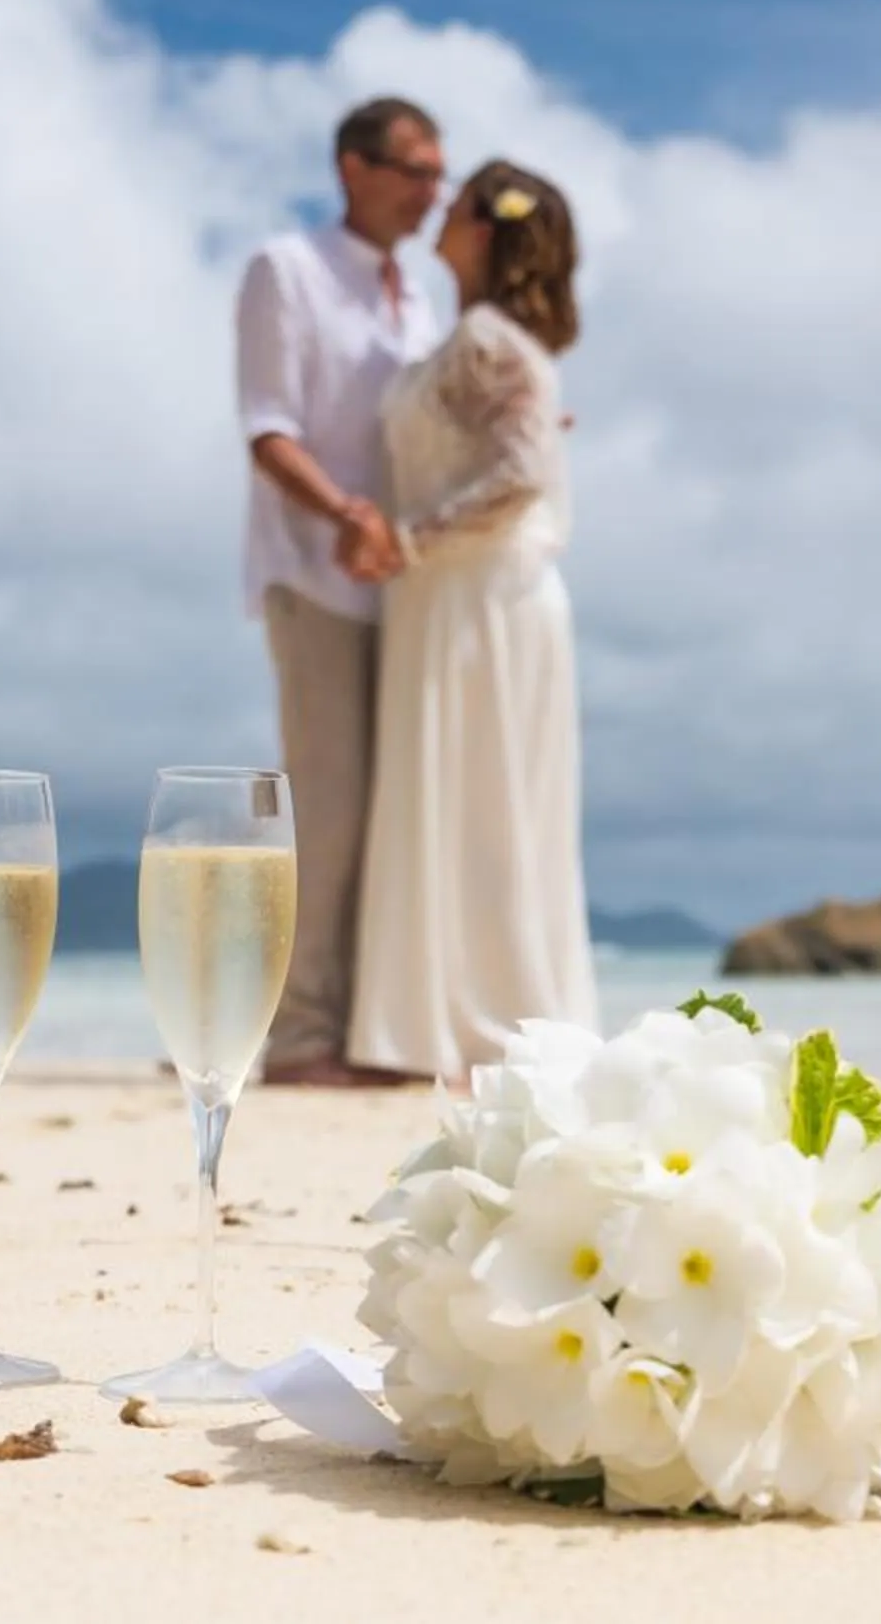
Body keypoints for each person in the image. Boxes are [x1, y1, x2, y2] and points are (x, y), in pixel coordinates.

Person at [343, 160, 595, 1082]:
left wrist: (407, 540)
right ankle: (450, 1020)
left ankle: (492, 1025)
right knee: (464, 802)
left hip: (480, 597)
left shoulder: (491, 339)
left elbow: (522, 474)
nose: (439, 216)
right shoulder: (481, 339)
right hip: (454, 595)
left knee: (483, 805)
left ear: (485, 229)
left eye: (454, 206)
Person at [232, 96, 446, 1086]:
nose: (430, 189)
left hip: (408, 591)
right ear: (353, 167)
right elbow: (269, 429)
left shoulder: (424, 299)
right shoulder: (289, 270)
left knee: (399, 810)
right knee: (330, 808)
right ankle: (301, 1035)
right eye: (413, 168)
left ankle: (376, 1029)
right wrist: (348, 516)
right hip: (313, 574)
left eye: (438, 172)